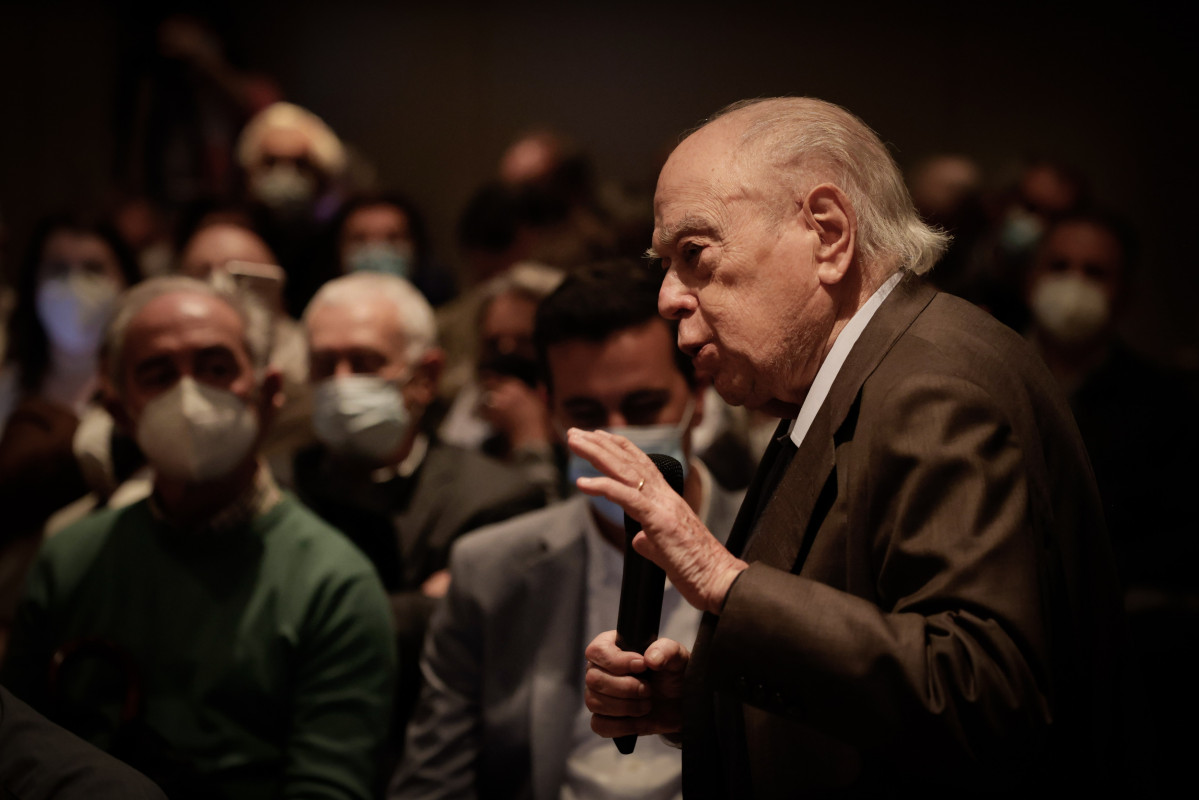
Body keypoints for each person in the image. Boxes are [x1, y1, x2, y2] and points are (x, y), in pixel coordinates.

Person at [574, 98, 1134, 796]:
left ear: (827, 232)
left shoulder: (931, 385)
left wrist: (719, 578)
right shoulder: (855, 377)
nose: (666, 297)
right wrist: (700, 703)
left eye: (693, 255)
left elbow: (982, 692)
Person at [2, 276, 395, 800]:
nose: (190, 395)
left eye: (216, 368)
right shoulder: (71, 558)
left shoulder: (334, 584)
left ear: (269, 393)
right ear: (119, 410)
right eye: (158, 374)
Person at [391, 259, 745, 800]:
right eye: (587, 412)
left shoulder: (769, 538)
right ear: (552, 414)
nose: (619, 439)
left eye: (644, 405)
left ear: (697, 398)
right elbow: (431, 782)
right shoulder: (488, 569)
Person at [295, 272, 545, 740]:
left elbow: (477, 655)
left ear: (425, 376)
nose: (340, 383)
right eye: (325, 365)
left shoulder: (493, 498)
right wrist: (418, 611)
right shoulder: (277, 486)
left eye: (365, 363)